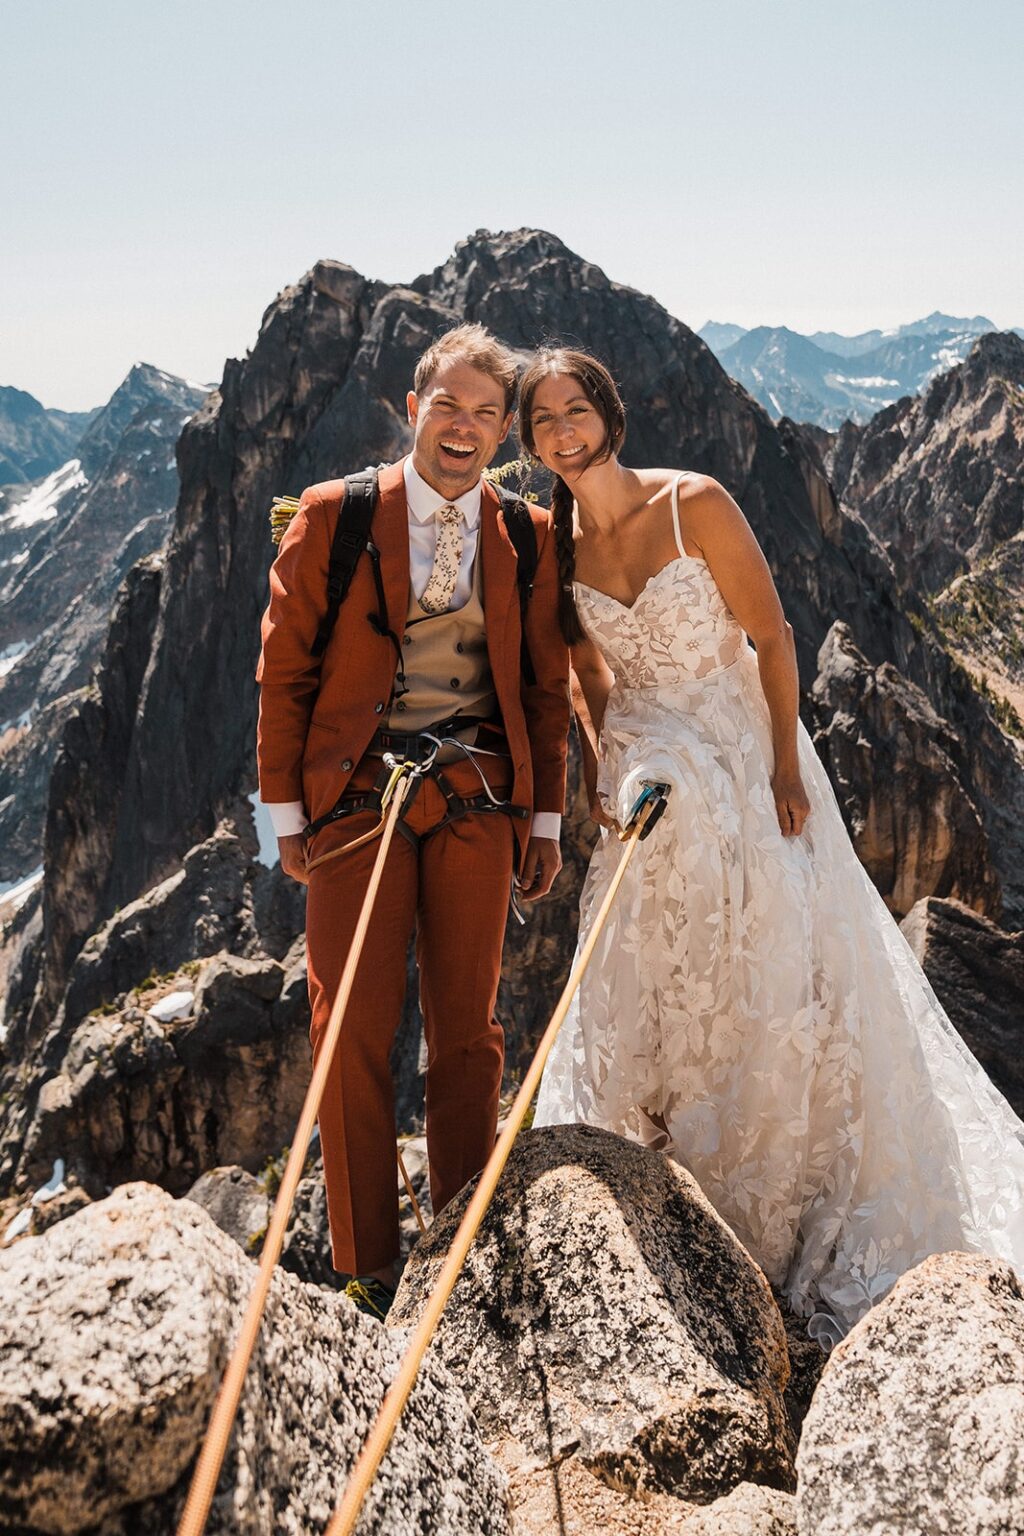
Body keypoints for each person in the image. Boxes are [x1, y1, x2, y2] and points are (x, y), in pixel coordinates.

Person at [523, 346, 1024, 1344]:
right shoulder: (555, 539)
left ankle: (779, 1190)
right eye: (541, 423)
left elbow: (771, 635)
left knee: (780, 957)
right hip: (647, 755)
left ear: (608, 414)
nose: (562, 433)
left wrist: (786, 772)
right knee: (657, 949)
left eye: (575, 410)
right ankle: (673, 1155)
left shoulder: (691, 502)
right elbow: (581, 663)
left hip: (743, 746)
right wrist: (596, 758)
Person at [256, 324, 570, 1319]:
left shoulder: (527, 534)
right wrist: (282, 820)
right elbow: (284, 674)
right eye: (450, 407)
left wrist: (549, 818)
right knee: (347, 1026)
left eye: (486, 413)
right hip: (355, 799)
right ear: (412, 409)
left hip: (475, 794)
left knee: (467, 1035)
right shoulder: (333, 518)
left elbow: (543, 685)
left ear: (503, 431)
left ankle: (456, 1248)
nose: (466, 429)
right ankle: (365, 1265)